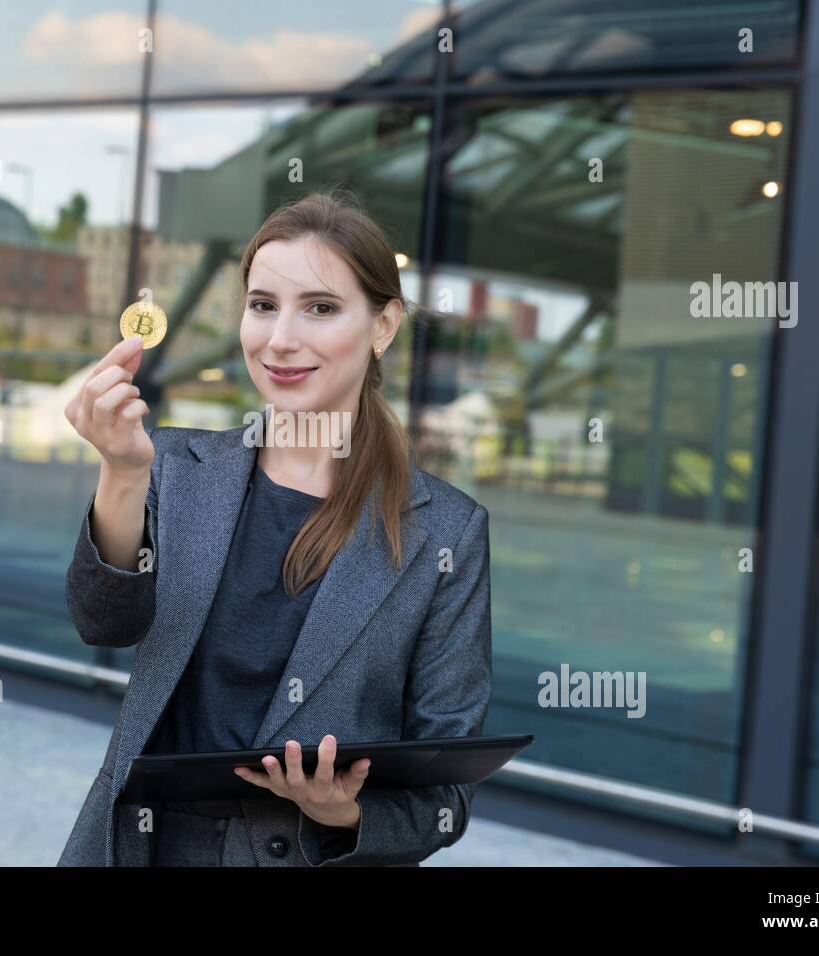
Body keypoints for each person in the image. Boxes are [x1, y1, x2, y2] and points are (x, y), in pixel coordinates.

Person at [57, 190, 493, 867]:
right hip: (140, 849)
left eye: (320, 308)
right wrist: (120, 472)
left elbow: (443, 803)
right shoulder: (174, 465)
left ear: (383, 325)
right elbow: (104, 624)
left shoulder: (447, 533)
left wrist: (344, 811)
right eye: (263, 305)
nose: (280, 338)